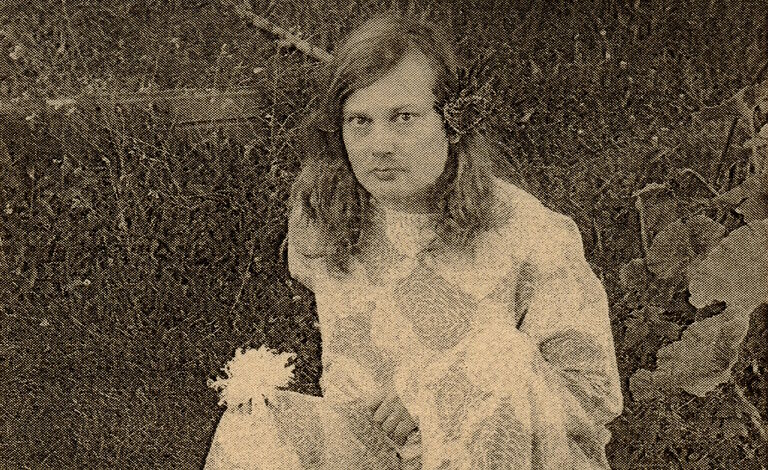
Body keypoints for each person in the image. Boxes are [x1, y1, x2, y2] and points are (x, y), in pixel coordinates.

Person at [205, 13, 622, 470]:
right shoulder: (329, 222)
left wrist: (438, 393)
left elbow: (589, 393)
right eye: (360, 121)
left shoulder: (528, 232)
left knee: (500, 357)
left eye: (403, 117)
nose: (379, 145)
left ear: (452, 123)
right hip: (380, 448)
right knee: (256, 421)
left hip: (503, 448)